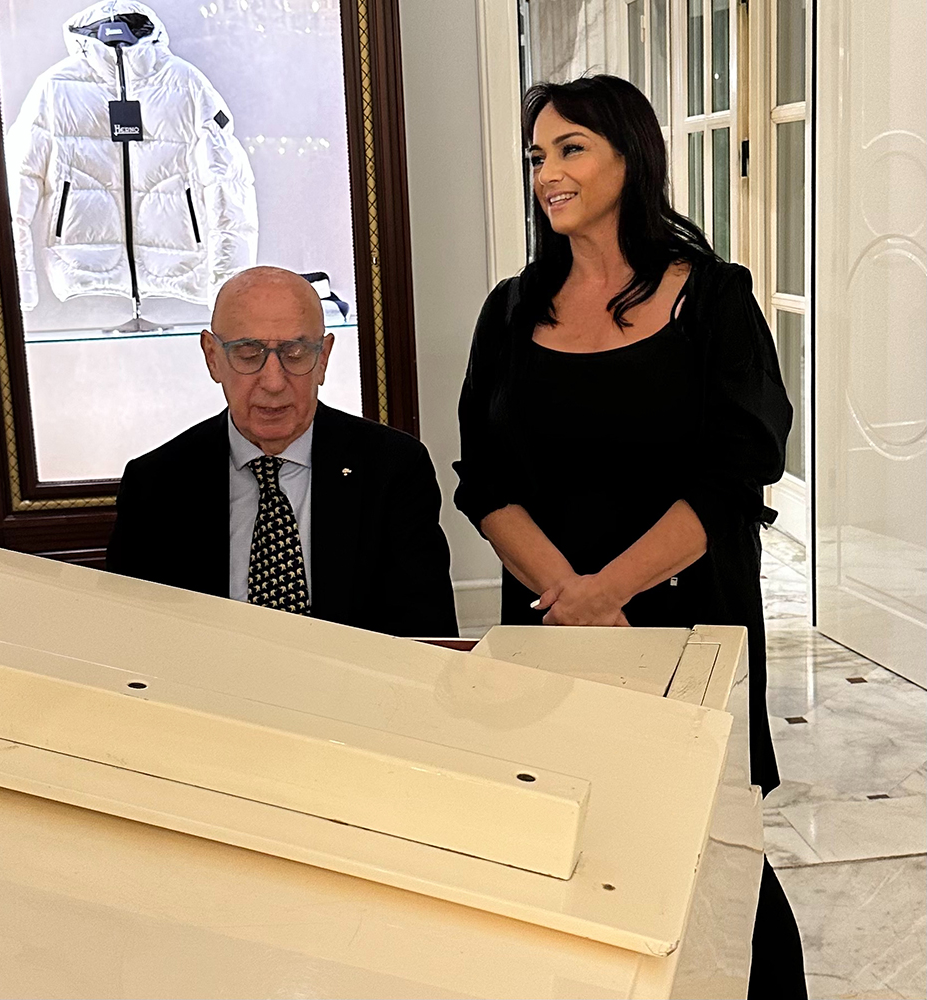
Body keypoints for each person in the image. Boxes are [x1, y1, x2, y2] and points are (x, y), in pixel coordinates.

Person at [453, 76, 805, 997]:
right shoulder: (510, 310)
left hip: (690, 626)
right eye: (537, 155)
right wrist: (572, 603)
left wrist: (607, 595)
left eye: (571, 149)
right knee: (569, 855)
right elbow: (484, 482)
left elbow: (738, 472)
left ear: (631, 156)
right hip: (553, 631)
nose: (547, 173)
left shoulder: (715, 300)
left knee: (713, 858)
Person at [107, 266, 458, 637]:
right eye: (248, 353)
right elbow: (132, 639)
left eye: (295, 353)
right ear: (212, 357)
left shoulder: (393, 469)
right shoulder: (156, 483)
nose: (273, 382)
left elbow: (427, 637)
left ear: (323, 359)